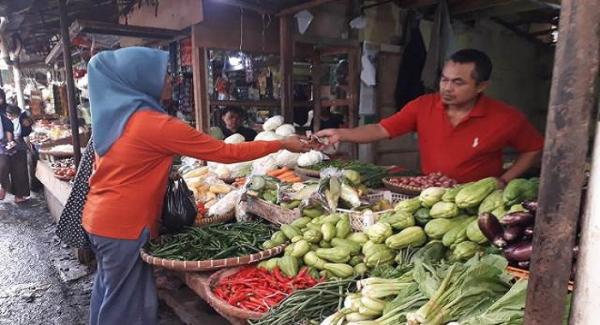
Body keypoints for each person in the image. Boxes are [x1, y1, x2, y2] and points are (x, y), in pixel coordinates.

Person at [81, 47, 307, 325]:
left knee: (110, 291)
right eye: (162, 75)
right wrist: (282, 143)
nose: (170, 80)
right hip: (124, 226)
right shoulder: (154, 124)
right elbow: (225, 152)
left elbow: (122, 165)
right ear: (141, 81)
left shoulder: (115, 120)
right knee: (126, 303)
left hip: (100, 219)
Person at [316, 49, 544, 184]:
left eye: (458, 82)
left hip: (480, 200)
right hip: (432, 193)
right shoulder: (423, 106)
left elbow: (533, 148)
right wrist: (342, 133)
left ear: (481, 86)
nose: (447, 88)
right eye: (444, 79)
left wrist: (504, 180)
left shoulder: (505, 117)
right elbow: (381, 129)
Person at [6, 105, 32, 203]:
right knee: (18, 172)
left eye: (10, 115)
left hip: (18, 147)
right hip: (15, 147)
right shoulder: (12, 121)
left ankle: (22, 195)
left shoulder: (21, 119)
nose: (9, 117)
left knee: (21, 172)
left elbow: (25, 132)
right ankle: (19, 195)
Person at [0, 111, 14, 201]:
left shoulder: (3, 117)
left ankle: (3, 187)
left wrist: (10, 142)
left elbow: (8, 128)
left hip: (1, 145)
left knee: (3, 166)